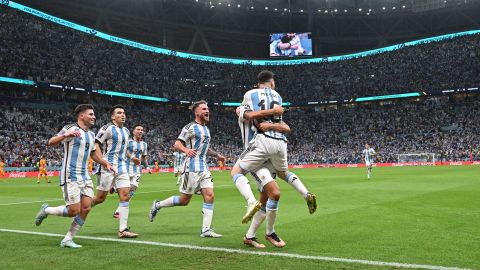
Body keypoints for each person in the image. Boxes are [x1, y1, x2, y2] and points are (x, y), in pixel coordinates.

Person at [231, 70, 317, 226]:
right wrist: (273, 117)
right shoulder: (278, 97)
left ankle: (251, 203)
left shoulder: (248, 97)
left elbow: (249, 116)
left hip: (259, 145)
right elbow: (285, 126)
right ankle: (306, 194)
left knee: (236, 172)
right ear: (271, 82)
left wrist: (265, 118)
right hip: (280, 143)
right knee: (282, 176)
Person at [34, 104, 114, 248]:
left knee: (86, 208)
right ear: (81, 116)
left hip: (85, 176)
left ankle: (68, 239)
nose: (94, 116)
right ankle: (46, 210)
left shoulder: (91, 135)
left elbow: (94, 154)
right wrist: (65, 135)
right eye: (91, 114)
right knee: (73, 211)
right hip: (70, 174)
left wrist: (104, 163)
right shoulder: (71, 128)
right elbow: (51, 142)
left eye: (94, 114)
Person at [149, 100, 225, 238]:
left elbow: (205, 149)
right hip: (191, 167)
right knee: (184, 201)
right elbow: (177, 144)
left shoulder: (206, 129)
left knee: (210, 195)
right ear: (196, 112)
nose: (207, 111)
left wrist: (217, 155)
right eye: (203, 109)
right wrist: (186, 150)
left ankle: (206, 229)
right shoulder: (189, 127)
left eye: (207, 108)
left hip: (204, 168)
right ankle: (158, 205)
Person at [92, 104, 139, 238]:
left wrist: (132, 158)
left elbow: (124, 150)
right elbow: (96, 144)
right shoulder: (107, 128)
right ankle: (81, 209)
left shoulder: (127, 131)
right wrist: (103, 161)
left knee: (125, 196)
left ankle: (123, 230)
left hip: (122, 167)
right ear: (113, 116)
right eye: (119, 113)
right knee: (100, 198)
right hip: (108, 167)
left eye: (123, 113)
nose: (122, 115)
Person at [112, 125, 148, 218]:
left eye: (142, 130)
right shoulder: (128, 142)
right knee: (126, 191)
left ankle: (115, 191)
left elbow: (143, 157)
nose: (140, 131)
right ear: (133, 131)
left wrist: (147, 167)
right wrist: (132, 157)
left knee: (133, 189)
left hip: (137, 170)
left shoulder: (144, 144)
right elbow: (124, 151)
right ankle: (118, 211)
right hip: (126, 169)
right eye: (138, 129)